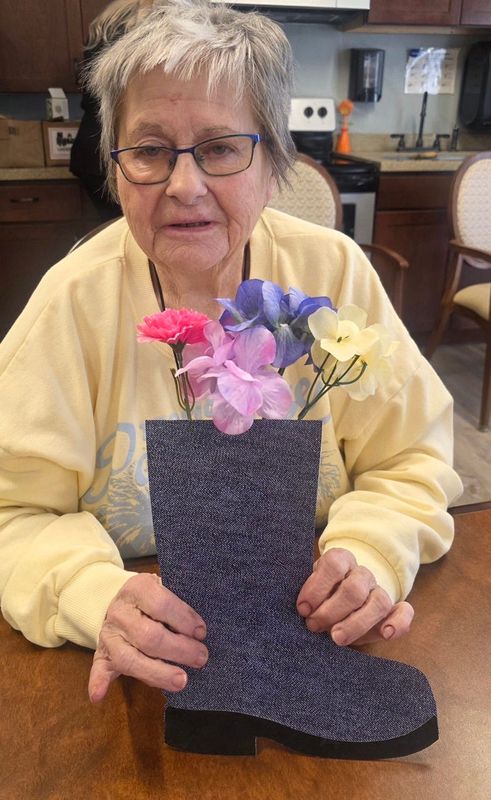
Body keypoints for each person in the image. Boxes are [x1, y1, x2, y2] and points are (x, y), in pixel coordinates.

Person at [0, 0, 462, 705]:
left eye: (219, 148)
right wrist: (91, 592)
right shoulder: (71, 302)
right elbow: (12, 512)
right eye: (150, 151)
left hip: (304, 640)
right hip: (131, 669)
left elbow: (411, 460)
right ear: (115, 168)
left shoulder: (331, 276)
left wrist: (367, 552)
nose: (183, 187)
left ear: (273, 162)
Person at [69, 0, 153, 219]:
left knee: (114, 227)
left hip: (88, 147)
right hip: (117, 147)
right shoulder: (152, 23)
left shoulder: (107, 19)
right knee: (130, 226)